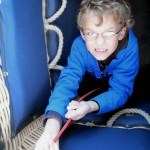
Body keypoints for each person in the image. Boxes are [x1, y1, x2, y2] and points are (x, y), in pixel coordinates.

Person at [35, 0, 139, 149]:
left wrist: (90, 106)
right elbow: (67, 82)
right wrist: (51, 129)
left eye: (109, 32)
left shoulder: (130, 49)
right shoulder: (79, 46)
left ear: (121, 33)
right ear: (82, 34)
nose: (100, 42)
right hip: (89, 84)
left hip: (111, 89)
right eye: (91, 33)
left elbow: (120, 90)